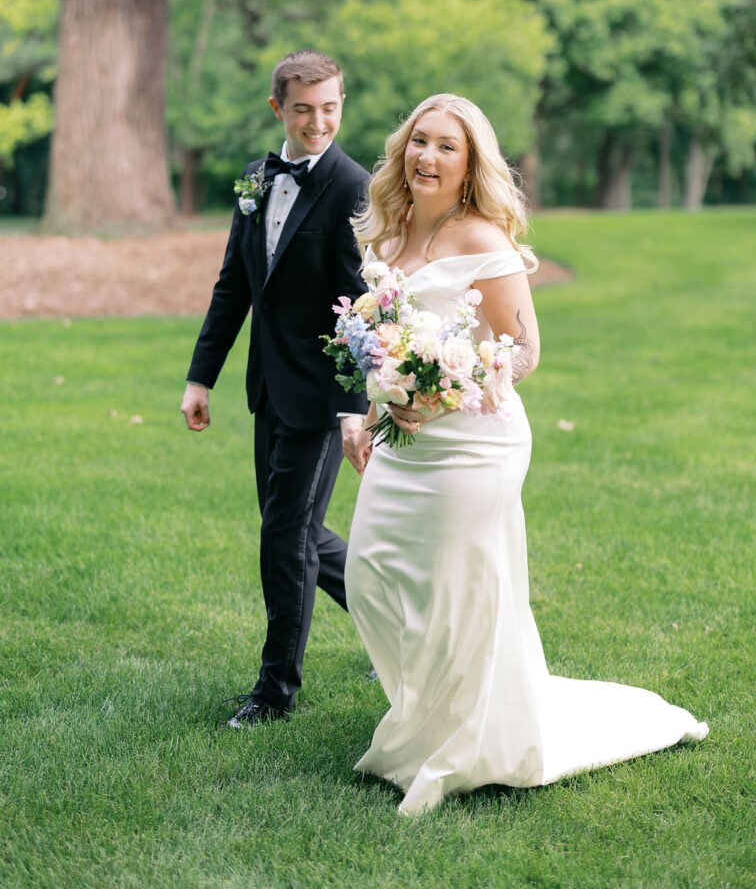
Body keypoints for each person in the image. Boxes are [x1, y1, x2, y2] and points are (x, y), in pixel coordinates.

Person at [343, 93, 708, 815]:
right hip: (403, 442)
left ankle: (457, 744)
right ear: (402, 149)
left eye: (448, 146)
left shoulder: (484, 238)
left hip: (474, 442)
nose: (428, 157)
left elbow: (525, 353)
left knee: (462, 594)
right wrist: (370, 409)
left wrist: (439, 390)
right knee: (368, 573)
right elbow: (378, 342)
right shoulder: (387, 235)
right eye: (420, 141)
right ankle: (427, 714)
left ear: (470, 162)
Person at [181, 49, 370, 728]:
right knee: (296, 530)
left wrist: (354, 407)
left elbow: (359, 305)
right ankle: (402, 628)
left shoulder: (353, 188)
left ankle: (273, 691)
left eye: (330, 108)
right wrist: (201, 375)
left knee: (284, 537)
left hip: (323, 398)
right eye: (302, 109)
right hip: (269, 386)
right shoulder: (255, 180)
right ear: (277, 109)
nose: (317, 122)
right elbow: (234, 285)